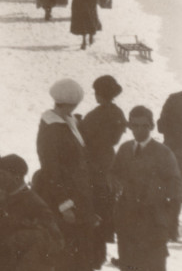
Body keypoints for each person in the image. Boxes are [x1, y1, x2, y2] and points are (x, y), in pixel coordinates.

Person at [36, 78, 98, 271]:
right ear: (72, 103)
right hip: (65, 201)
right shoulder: (53, 129)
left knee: (80, 254)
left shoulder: (67, 122)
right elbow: (51, 169)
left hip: (78, 198)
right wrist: (64, 204)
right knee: (68, 256)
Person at [111, 106, 182, 271]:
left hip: (153, 225)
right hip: (127, 223)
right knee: (128, 266)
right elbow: (113, 173)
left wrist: (156, 195)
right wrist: (116, 183)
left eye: (144, 125)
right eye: (135, 125)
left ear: (151, 126)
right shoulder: (125, 149)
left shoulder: (163, 153)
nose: (139, 130)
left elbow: (176, 186)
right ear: (129, 126)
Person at [0, 154, 65, 271]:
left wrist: (26, 239)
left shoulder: (35, 204)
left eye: (2, 174)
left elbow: (57, 241)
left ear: (16, 177)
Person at [80, 75, 126, 263]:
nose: (95, 96)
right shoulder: (117, 113)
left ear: (102, 93)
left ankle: (94, 255)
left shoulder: (98, 114)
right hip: (108, 161)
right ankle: (99, 254)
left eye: (96, 92)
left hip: (93, 162)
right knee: (104, 205)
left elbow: (85, 135)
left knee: (93, 206)